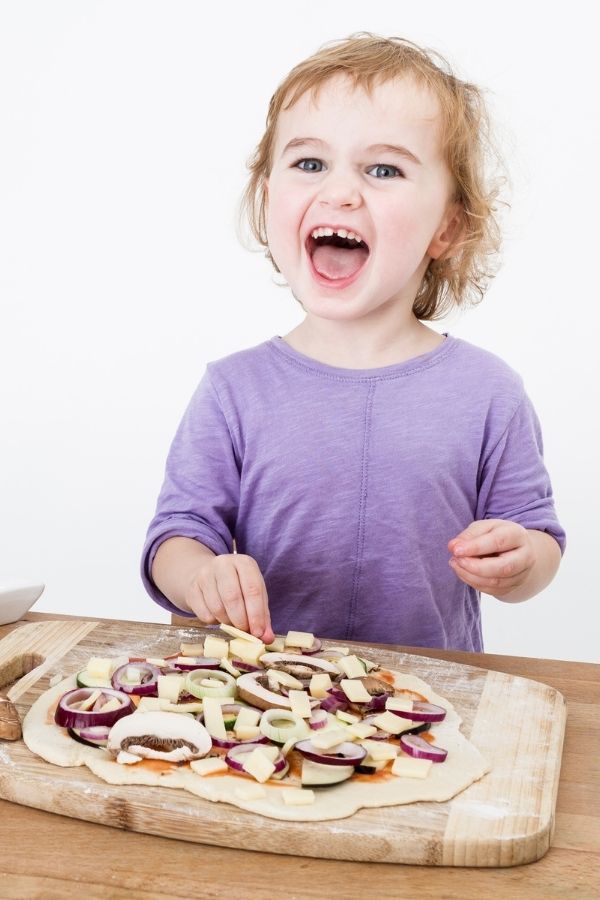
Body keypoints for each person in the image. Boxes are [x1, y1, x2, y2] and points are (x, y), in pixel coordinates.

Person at [140, 33, 565, 652]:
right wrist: (200, 575)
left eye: (384, 169)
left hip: (428, 712)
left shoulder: (488, 392)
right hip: (263, 710)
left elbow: (539, 539)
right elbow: (174, 539)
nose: (340, 192)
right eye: (309, 163)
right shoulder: (234, 389)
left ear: (447, 225)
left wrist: (521, 561)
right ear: (267, 198)